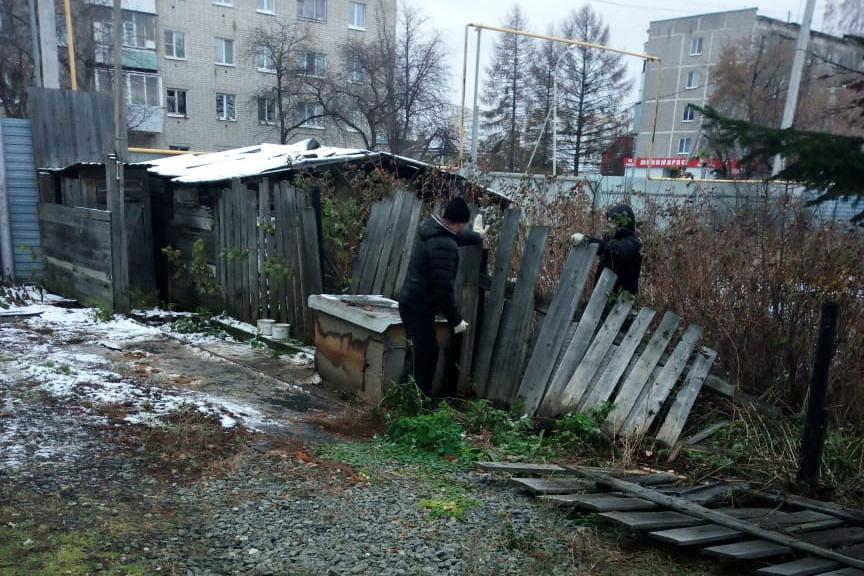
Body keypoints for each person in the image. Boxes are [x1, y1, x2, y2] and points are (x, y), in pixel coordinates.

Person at [398, 196, 487, 395]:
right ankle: (416, 404)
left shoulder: (433, 229)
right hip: (419, 308)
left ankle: (403, 397)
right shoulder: (444, 245)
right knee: (426, 357)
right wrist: (456, 320)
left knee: (417, 353)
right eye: (464, 225)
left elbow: (457, 237)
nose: (463, 229)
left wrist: (477, 236)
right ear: (459, 223)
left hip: (410, 303)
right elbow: (443, 290)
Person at [570, 204, 643, 296]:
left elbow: (617, 251)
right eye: (608, 222)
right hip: (605, 298)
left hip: (620, 302)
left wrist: (587, 240)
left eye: (612, 222)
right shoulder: (616, 241)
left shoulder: (632, 243)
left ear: (621, 223)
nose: (608, 225)